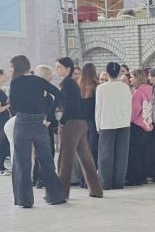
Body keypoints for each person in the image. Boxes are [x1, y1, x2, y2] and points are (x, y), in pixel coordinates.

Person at [8, 54, 65, 208]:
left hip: (22, 122)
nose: (10, 69)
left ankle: (25, 200)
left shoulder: (15, 82)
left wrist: (21, 112)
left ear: (17, 67)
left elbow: (13, 105)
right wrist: (49, 113)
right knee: (47, 160)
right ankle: (56, 196)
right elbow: (59, 94)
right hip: (40, 123)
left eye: (11, 66)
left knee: (22, 162)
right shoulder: (38, 80)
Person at [54, 57, 103, 200]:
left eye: (59, 67)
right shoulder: (73, 83)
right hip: (81, 123)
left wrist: (62, 120)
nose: (57, 70)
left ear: (68, 69)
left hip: (71, 123)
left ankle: (61, 193)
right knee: (86, 158)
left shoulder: (68, 83)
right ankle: (96, 189)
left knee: (65, 159)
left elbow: (70, 104)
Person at [95, 61, 132, 189]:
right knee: (122, 155)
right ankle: (118, 182)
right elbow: (129, 106)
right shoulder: (125, 87)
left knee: (105, 155)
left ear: (107, 72)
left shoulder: (101, 88)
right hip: (124, 123)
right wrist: (127, 120)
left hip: (106, 123)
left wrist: (98, 125)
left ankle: (105, 183)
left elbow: (98, 108)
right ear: (119, 72)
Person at [126, 69, 153, 186]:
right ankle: (142, 177)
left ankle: (136, 178)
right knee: (141, 153)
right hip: (146, 125)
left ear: (138, 78)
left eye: (132, 77)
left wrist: (127, 122)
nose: (130, 79)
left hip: (137, 125)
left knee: (133, 153)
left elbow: (134, 110)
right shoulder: (149, 90)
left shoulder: (138, 92)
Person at [79, 63, 100, 168]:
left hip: (81, 121)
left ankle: (84, 174)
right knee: (93, 148)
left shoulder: (78, 87)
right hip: (93, 121)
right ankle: (93, 172)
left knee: (83, 148)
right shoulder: (97, 87)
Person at [0, 69, 11, 174]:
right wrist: (9, 105)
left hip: (3, 121)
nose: (6, 77)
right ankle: (0, 168)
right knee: (1, 145)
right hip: (1, 122)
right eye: (5, 75)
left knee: (2, 144)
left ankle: (1, 167)